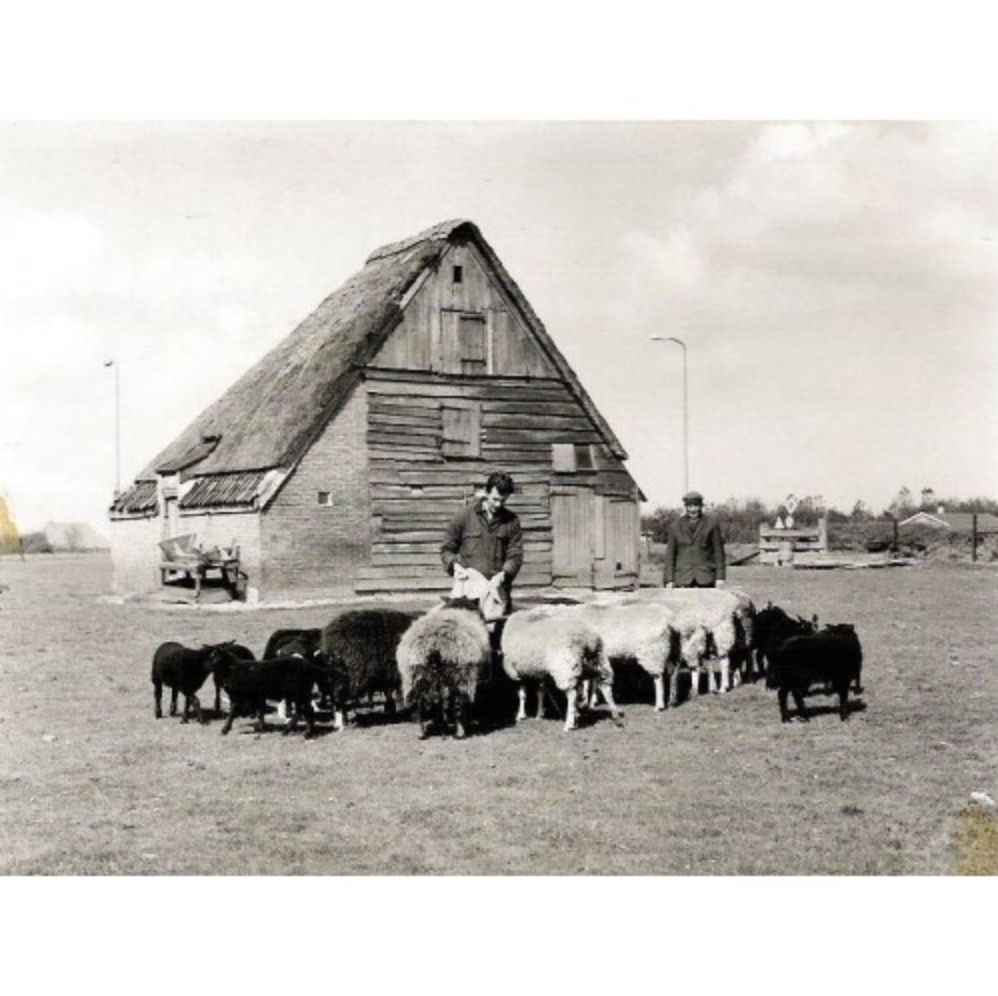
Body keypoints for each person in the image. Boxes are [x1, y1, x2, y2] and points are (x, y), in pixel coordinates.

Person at [441, 470, 523, 610]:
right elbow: (447, 549)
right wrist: (455, 566)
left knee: (496, 628)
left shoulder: (512, 521)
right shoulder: (464, 516)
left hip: (497, 590)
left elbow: (515, 555)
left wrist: (503, 575)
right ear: (486, 492)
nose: (498, 505)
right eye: (495, 499)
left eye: (503, 501)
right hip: (467, 593)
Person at [663, 490, 726, 589]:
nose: (693, 510)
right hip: (682, 579)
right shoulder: (675, 526)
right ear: (686, 507)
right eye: (690, 506)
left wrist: (720, 578)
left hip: (706, 579)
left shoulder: (711, 524)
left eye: (696, 506)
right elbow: (670, 555)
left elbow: (719, 554)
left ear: (701, 507)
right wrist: (669, 579)